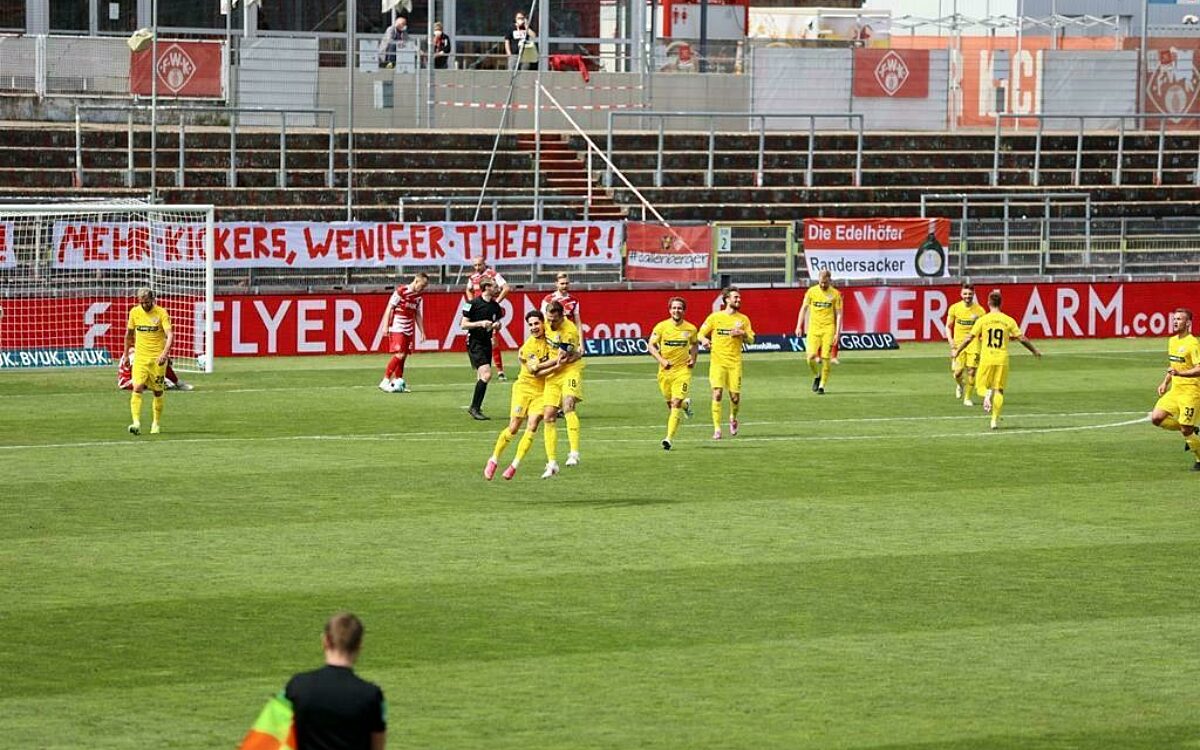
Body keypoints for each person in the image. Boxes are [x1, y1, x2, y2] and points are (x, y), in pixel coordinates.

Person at [284, 612, 387, 750]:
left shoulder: (297, 686)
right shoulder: (371, 695)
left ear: (325, 641)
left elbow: (276, 736)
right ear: (359, 645)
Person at [484, 310, 561, 480]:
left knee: (532, 425)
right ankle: (494, 459)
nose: (534, 327)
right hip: (524, 388)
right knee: (514, 427)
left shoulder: (552, 336)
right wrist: (558, 364)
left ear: (543, 323)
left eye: (536, 323)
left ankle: (514, 465)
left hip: (542, 391)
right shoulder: (528, 348)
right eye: (531, 325)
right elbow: (536, 372)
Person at [952, 289, 1042, 430]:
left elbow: (969, 337)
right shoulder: (1008, 320)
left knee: (980, 387)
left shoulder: (983, 319)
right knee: (999, 390)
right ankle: (994, 421)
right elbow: (1021, 338)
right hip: (1002, 358)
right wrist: (1034, 350)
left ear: (988, 303)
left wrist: (957, 350)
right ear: (1001, 303)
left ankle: (987, 394)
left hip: (987, 357)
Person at [698, 287, 755, 440]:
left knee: (735, 397)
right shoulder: (715, 317)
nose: (739, 300)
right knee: (717, 394)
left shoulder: (743, 319)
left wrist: (742, 334)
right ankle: (717, 429)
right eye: (735, 297)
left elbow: (752, 339)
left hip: (734, 363)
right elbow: (700, 333)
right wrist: (704, 340)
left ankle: (733, 418)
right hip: (717, 362)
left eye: (739, 298)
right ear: (727, 300)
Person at [1150, 308, 1200, 470]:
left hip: (1191, 392)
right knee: (1156, 418)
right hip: (1175, 391)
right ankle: (1193, 431)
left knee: (1186, 430)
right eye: (1174, 319)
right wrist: (1165, 382)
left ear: (1188, 323)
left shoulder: (1193, 343)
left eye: (1179, 319)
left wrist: (1181, 373)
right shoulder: (1172, 341)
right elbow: (1174, 366)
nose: (1175, 322)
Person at [539, 301, 585, 477]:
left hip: (569, 371)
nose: (550, 323)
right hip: (553, 376)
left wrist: (538, 366)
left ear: (562, 316)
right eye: (548, 319)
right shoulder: (545, 323)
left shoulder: (570, 331)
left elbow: (562, 359)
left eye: (554, 320)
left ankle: (574, 453)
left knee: (568, 406)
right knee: (548, 416)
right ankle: (551, 463)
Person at [647, 296, 699, 450]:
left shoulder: (690, 329)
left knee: (675, 403)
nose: (677, 310)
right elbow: (651, 345)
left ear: (684, 311)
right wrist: (662, 360)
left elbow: (695, 344)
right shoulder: (662, 327)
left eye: (679, 308)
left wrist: (693, 358)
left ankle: (668, 439)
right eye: (674, 308)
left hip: (683, 371)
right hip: (665, 372)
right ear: (670, 310)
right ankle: (685, 404)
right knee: (671, 404)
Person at [125, 287, 173, 435]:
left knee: (157, 392)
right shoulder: (134, 312)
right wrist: (126, 355)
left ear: (153, 300)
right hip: (140, 358)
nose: (144, 305)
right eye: (141, 303)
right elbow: (129, 335)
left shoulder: (161, 313)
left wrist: (164, 354)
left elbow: (170, 335)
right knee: (137, 387)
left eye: (147, 302)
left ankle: (156, 424)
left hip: (157, 359)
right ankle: (136, 423)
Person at [461, 277, 504, 420]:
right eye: (495, 286)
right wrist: (480, 323)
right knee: (487, 375)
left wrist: (497, 325)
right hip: (474, 342)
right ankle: (474, 408)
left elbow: (497, 322)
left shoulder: (495, 306)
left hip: (486, 342)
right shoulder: (471, 304)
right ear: (486, 287)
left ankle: (476, 407)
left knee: (481, 376)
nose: (498, 288)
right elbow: (463, 324)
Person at [377, 272, 428, 393]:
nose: (423, 288)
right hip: (398, 327)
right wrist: (385, 326)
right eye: (422, 285)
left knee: (403, 356)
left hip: (409, 329)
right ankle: (384, 381)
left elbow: (417, 314)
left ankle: (398, 381)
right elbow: (390, 307)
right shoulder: (401, 291)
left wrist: (422, 331)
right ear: (416, 281)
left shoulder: (418, 296)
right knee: (399, 354)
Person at [795, 269, 842, 395]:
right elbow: (803, 309)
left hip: (828, 328)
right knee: (810, 357)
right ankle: (817, 375)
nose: (822, 285)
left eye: (825, 283)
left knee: (826, 357)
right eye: (821, 282)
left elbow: (838, 314)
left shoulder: (835, 294)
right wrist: (799, 326)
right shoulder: (811, 291)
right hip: (814, 329)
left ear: (829, 281)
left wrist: (837, 333)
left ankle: (822, 386)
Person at [465, 256, 511, 380]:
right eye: (475, 265)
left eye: (479, 265)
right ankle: (481, 374)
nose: (477, 267)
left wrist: (496, 303)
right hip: (477, 313)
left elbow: (506, 288)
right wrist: (471, 302)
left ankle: (500, 371)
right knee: (478, 338)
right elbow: (468, 290)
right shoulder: (473, 277)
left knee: (492, 340)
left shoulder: (492, 274)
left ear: (484, 264)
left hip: (489, 312)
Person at [945, 281, 986, 406]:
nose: (967, 296)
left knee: (972, 371)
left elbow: (983, 329)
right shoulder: (955, 308)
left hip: (973, 344)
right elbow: (948, 326)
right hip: (958, 344)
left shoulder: (980, 311)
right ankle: (960, 385)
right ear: (961, 294)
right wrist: (951, 343)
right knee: (957, 372)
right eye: (965, 294)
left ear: (973, 294)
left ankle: (967, 398)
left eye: (970, 294)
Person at [117, 348, 191, 391]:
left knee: (162, 360)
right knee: (143, 383)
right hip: (128, 380)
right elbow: (136, 371)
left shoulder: (148, 349)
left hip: (142, 377)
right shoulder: (133, 351)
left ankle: (178, 383)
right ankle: (158, 382)